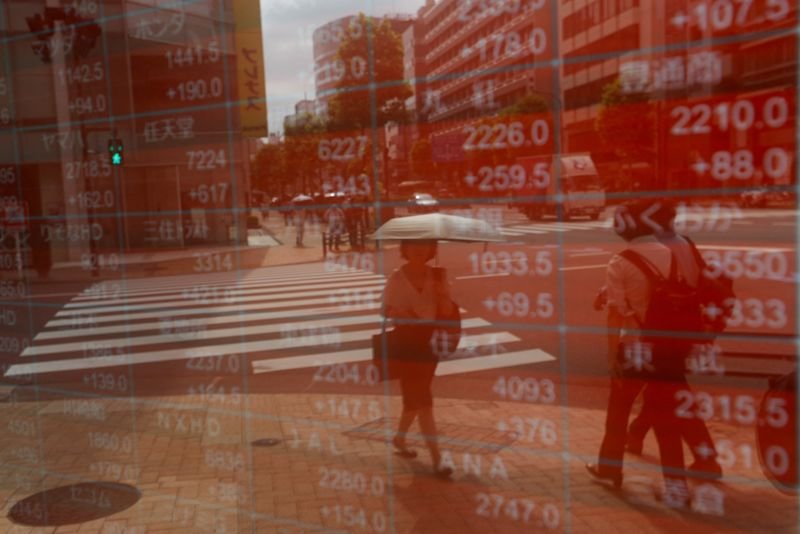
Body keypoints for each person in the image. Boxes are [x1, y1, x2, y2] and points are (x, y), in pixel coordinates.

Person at [585, 200, 719, 508]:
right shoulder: (670, 253)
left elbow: (616, 314)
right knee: (667, 419)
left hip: (634, 348)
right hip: (666, 348)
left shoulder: (620, 261)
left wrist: (611, 355)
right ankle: (677, 486)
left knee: (618, 410)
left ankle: (611, 468)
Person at [382, 239, 454, 478]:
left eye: (425, 244)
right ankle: (437, 459)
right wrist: (399, 312)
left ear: (432, 249)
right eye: (414, 244)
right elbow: (384, 310)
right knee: (423, 400)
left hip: (429, 343)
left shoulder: (438, 276)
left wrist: (442, 295)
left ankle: (399, 438)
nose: (420, 249)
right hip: (406, 343)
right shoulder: (397, 277)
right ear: (405, 249)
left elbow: (446, 312)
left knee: (415, 398)